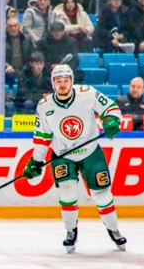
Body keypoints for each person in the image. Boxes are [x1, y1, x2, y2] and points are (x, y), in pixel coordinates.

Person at [24, 64, 126, 252]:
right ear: (52, 84)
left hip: (91, 152)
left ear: (72, 81)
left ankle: (114, 230)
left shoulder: (87, 93)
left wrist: (112, 120)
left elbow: (110, 108)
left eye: (65, 80)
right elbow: (41, 137)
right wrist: (36, 161)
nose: (62, 85)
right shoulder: (44, 105)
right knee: (67, 192)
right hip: (62, 155)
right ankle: (71, 232)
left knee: (102, 194)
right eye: (58, 81)